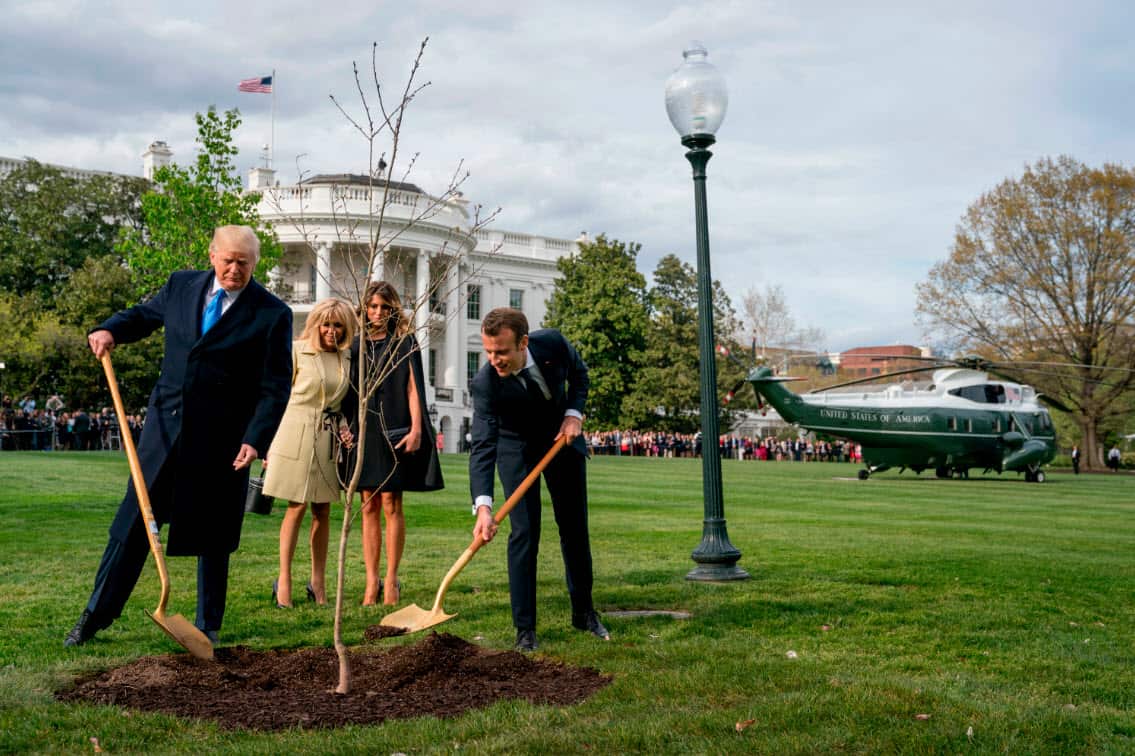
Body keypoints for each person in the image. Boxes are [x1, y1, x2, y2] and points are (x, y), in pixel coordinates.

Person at [64, 225, 293, 648]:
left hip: (223, 441)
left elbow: (276, 385)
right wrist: (110, 328)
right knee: (133, 524)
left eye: (244, 262)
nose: (235, 269)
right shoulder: (181, 285)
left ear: (255, 264)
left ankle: (208, 626)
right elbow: (143, 315)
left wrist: (255, 438)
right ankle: (94, 616)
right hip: (165, 430)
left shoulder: (272, 313)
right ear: (212, 256)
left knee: (214, 533)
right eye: (228, 259)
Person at [469, 307, 608, 652]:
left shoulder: (553, 345)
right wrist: (483, 507)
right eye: (488, 351)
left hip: (562, 441)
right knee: (525, 532)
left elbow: (580, 375)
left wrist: (573, 415)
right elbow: (484, 445)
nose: (494, 359)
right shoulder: (485, 383)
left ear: (524, 343)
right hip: (516, 450)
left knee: (574, 528)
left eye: (501, 351)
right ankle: (525, 629)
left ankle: (584, 612)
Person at [341, 281, 442, 607]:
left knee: (391, 504)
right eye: (372, 306)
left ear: (393, 309)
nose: (378, 313)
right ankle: (372, 583)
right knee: (368, 504)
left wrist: (416, 430)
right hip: (364, 429)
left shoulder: (405, 343)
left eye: (385, 307)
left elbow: (414, 388)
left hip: (397, 427)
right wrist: (346, 428)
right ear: (364, 308)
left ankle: (392, 580)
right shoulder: (354, 345)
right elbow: (346, 391)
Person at [263, 298, 356, 608]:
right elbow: (276, 396)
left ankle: (317, 581)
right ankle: (284, 579)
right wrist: (265, 441)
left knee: (323, 510)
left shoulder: (347, 357)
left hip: (328, 436)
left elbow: (340, 402)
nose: (331, 330)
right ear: (316, 324)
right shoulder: (295, 350)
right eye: (326, 324)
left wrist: (343, 425)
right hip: (293, 431)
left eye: (338, 325)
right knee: (296, 506)